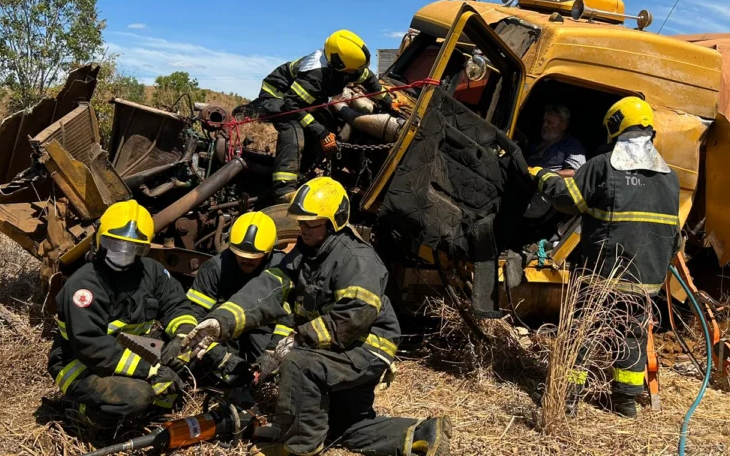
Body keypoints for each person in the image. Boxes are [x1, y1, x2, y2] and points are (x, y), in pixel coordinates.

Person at [183, 177, 452, 455]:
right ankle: (421, 433)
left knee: (299, 364)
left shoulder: (357, 259)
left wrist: (301, 338)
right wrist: (221, 321)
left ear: (334, 221)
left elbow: (355, 315)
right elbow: (270, 289)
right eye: (301, 223)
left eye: (311, 224)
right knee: (346, 427)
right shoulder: (304, 253)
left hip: (367, 348)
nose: (303, 229)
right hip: (341, 349)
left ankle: (299, 446)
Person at [528, 97, 680, 418]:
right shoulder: (670, 178)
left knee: (582, 330)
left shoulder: (602, 165)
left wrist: (540, 174)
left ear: (615, 127)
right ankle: (625, 401)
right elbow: (675, 237)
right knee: (633, 334)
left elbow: (567, 200)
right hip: (647, 280)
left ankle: (567, 398)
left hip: (603, 274)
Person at [47, 200, 197, 427]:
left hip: (131, 348)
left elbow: (177, 305)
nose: (123, 253)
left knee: (188, 358)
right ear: (99, 240)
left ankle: (153, 410)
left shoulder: (152, 272)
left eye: (133, 248)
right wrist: (152, 370)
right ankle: (81, 410)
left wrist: (182, 338)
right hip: (80, 363)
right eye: (114, 244)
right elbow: (90, 345)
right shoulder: (84, 285)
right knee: (136, 397)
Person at [236, 30, 401, 204]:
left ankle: (302, 173)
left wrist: (389, 102)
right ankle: (284, 189)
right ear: (338, 64)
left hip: (305, 100)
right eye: (352, 70)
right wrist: (322, 134)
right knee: (293, 127)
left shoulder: (348, 65)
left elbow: (369, 79)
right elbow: (293, 106)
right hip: (279, 97)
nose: (356, 73)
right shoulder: (315, 73)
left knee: (324, 122)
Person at [183, 211, 287, 387]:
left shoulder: (282, 268)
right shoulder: (215, 268)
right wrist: (219, 356)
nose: (246, 261)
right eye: (241, 255)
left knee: (274, 374)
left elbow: (289, 318)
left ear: (269, 252)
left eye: (253, 258)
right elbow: (194, 315)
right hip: (224, 331)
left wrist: (273, 353)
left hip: (263, 330)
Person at [526, 104, 586, 177]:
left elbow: (575, 172)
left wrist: (543, 174)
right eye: (544, 121)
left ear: (563, 125)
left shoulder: (572, 145)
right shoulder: (536, 143)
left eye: (549, 122)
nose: (544, 125)